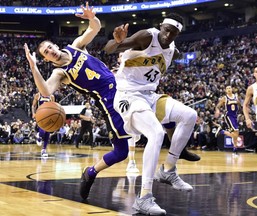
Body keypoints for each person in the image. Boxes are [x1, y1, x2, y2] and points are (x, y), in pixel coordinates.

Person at [24, 2, 131, 201]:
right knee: (121, 152)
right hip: (108, 101)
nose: (50, 51)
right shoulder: (59, 72)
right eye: (46, 53)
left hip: (123, 86)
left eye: (50, 47)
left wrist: (92, 17)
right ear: (46, 59)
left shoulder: (76, 46)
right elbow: (45, 91)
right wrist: (33, 67)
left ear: (55, 45)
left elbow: (95, 28)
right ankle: (90, 172)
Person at [104, 14, 198, 215]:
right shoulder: (147, 36)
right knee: (157, 133)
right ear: (161, 26)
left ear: (177, 34)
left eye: (173, 33)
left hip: (150, 96)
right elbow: (109, 49)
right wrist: (118, 41)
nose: (168, 34)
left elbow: (174, 53)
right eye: (166, 29)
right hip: (127, 95)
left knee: (190, 115)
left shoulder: (172, 50)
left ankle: (168, 170)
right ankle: (144, 198)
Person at [214, 85, 241, 154]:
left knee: (236, 133)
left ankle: (235, 148)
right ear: (225, 91)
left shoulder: (236, 96)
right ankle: (222, 132)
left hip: (235, 116)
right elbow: (217, 106)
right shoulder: (224, 98)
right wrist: (217, 111)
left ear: (232, 89)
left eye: (229, 88)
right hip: (228, 116)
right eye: (227, 88)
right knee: (235, 132)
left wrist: (240, 104)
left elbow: (238, 104)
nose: (228, 89)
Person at [32, 92, 55, 157]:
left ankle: (44, 150)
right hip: (40, 115)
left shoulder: (51, 96)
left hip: (48, 115)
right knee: (43, 131)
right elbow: (33, 105)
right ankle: (39, 136)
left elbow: (53, 106)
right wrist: (33, 113)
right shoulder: (38, 95)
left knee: (47, 133)